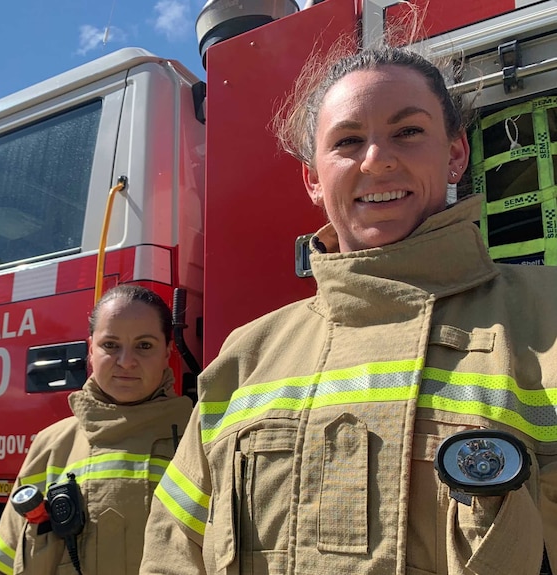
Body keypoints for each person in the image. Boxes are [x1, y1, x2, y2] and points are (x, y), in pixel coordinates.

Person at [140, 40, 557, 575]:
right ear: (313, 179)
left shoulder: (547, 315)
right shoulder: (244, 357)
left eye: (408, 132)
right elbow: (173, 550)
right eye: (348, 141)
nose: (377, 159)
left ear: (455, 153)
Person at [0, 285, 193, 575]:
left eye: (144, 345)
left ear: (168, 351)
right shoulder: (51, 444)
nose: (126, 361)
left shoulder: (199, 438)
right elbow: (0, 563)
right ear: (91, 348)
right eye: (110, 345)